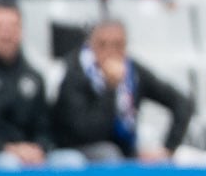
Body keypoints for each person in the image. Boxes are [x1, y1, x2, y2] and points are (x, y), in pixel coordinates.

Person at [51, 17, 191, 162]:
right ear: (91, 45)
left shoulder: (133, 72)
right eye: (103, 45)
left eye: (118, 45)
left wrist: (168, 149)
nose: (111, 51)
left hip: (124, 151)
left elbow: (182, 103)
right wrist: (110, 89)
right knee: (108, 154)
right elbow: (85, 132)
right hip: (78, 149)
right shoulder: (74, 73)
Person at [0, 0, 52, 168]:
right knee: (9, 164)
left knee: (70, 161)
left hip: (29, 153)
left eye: (12, 26)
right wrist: (5, 148)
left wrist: (39, 148)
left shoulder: (33, 77)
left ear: (21, 30)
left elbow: (44, 128)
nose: (6, 33)